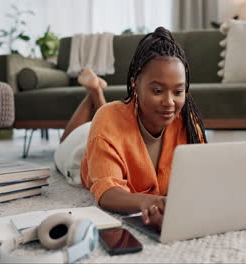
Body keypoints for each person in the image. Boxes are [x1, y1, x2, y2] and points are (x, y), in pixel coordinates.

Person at [54, 27, 207, 230]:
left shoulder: (187, 124)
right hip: (79, 151)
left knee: (107, 119)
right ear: (135, 84)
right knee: (71, 138)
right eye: (157, 90)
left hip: (112, 126)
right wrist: (148, 202)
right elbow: (107, 191)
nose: (169, 102)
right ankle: (93, 92)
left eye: (178, 91)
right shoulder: (108, 119)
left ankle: (96, 92)